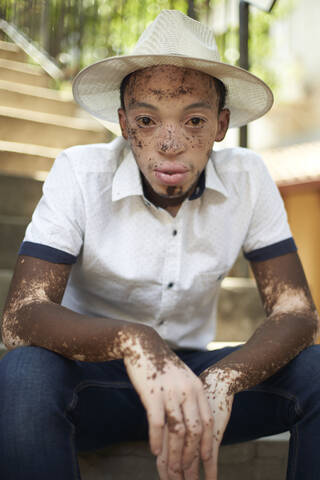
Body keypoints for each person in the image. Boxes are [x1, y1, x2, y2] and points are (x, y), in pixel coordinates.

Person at [0, 9, 319, 480]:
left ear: (221, 124)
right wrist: (135, 341)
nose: (170, 144)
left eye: (193, 120)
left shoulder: (248, 176)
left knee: (316, 369)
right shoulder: (80, 172)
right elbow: (20, 317)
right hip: (95, 379)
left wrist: (225, 379)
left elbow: (296, 314)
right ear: (125, 124)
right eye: (148, 120)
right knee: (23, 372)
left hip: (198, 386)